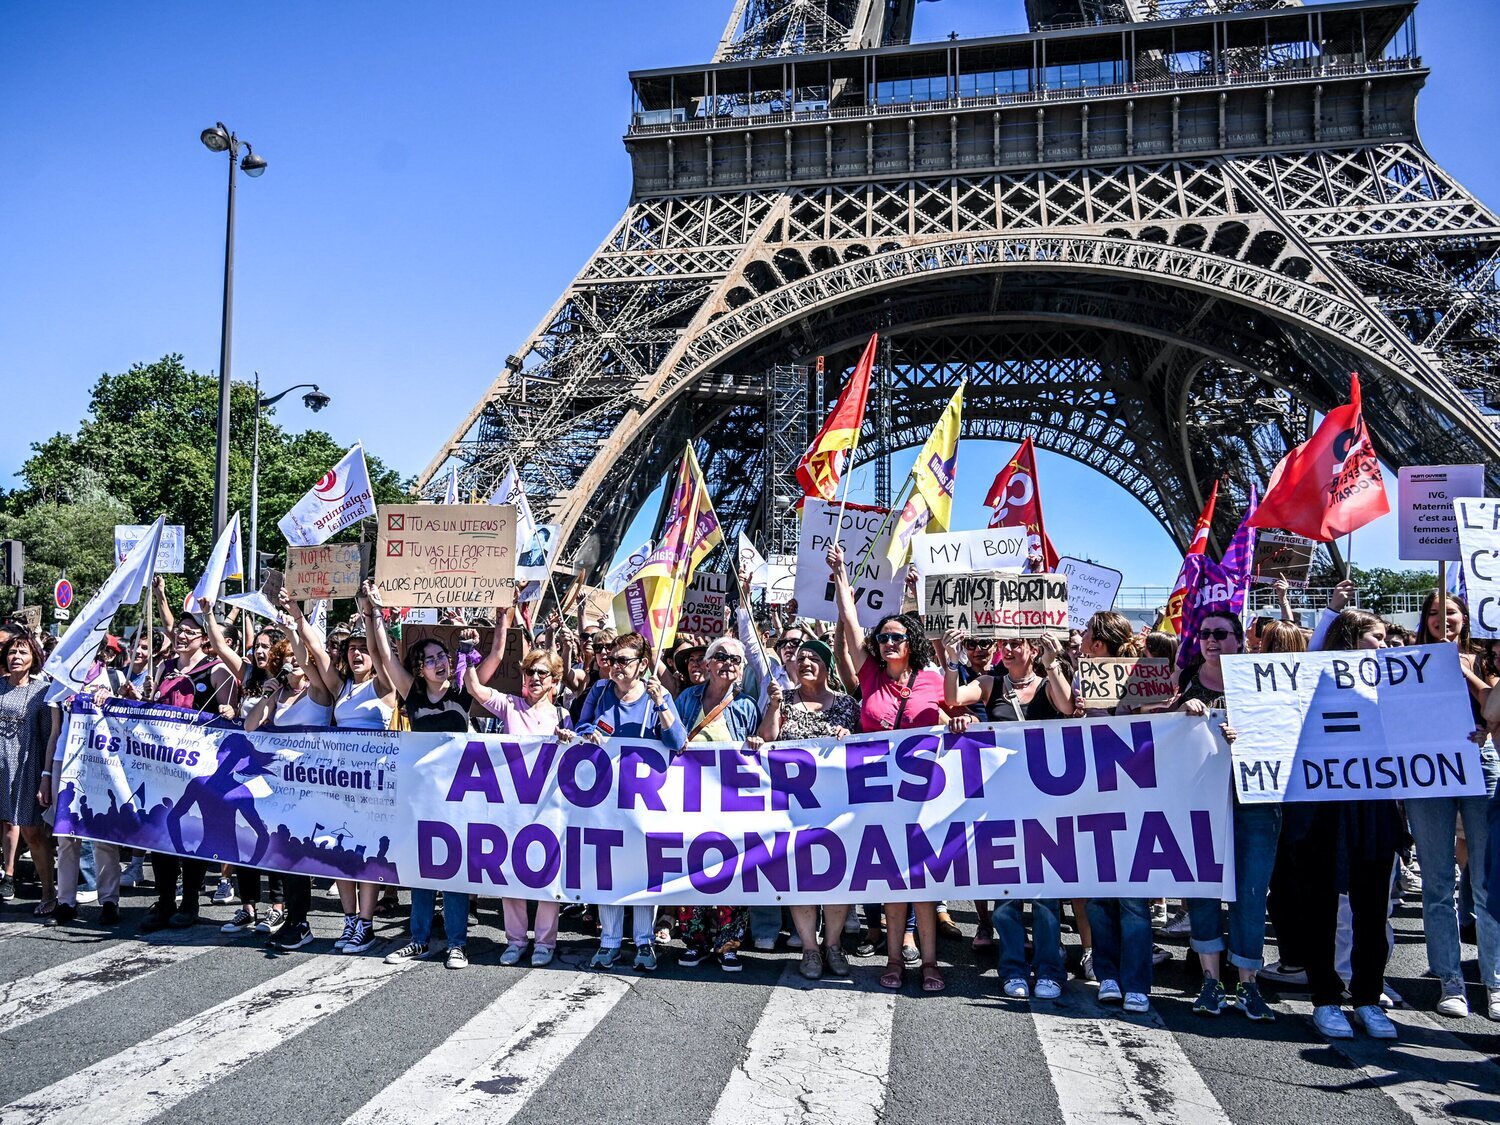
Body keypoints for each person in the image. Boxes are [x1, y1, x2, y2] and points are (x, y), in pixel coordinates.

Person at [828, 540, 955, 993]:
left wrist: (959, 719)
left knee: (920, 884)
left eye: (895, 637)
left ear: (911, 643)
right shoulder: (870, 677)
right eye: (882, 638)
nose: (886, 643)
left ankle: (931, 963)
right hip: (879, 793)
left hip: (923, 794)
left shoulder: (933, 680)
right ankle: (896, 961)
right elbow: (849, 619)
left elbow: (954, 712)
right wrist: (841, 573)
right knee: (892, 884)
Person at [1285, 609, 1405, 1040]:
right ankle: (1326, 999)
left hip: (1372, 809)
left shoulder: (1393, 683)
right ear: (1351, 639)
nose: (1386, 645)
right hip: (1320, 808)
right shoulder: (1310, 682)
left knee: (1372, 911)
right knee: (1319, 908)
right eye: (1377, 637)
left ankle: (1368, 999)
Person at [945, 626, 1077, 1004]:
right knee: (1006, 894)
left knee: (1045, 893)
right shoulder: (991, 683)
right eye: (1004, 644)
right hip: (1002, 804)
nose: (1008, 649)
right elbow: (953, 696)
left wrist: (1054, 666)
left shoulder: (1050, 680)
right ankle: (1014, 968)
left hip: (1046, 805)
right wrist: (954, 659)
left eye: (1016, 643)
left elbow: (1067, 707)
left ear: (1033, 649)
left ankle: (1050, 969)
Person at [1172, 610, 1278, 1022]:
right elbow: (1168, 735)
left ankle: (1247, 981)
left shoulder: (1261, 679)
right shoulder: (1187, 681)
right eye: (1204, 634)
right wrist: (1182, 710)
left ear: (1239, 640)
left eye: (1220, 633)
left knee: (1250, 892)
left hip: (1254, 799)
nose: (1211, 640)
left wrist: (1247, 735)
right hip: (1200, 798)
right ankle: (1211, 980)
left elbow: (1283, 730)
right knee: (1202, 887)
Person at [366, 584, 475, 970]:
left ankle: (457, 942)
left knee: (456, 871)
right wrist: (377, 612)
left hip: (461, 795)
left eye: (441, 655)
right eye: (429, 658)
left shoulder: (464, 692)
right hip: (424, 795)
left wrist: (468, 634)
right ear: (419, 668)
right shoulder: (411, 694)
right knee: (424, 868)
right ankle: (419, 938)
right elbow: (383, 654)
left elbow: (491, 655)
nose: (438, 662)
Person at [285, 583, 398, 952]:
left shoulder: (383, 687)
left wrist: (369, 616)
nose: (356, 654)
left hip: (373, 785)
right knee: (342, 850)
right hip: (342, 784)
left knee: (366, 853)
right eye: (351, 650)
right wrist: (296, 613)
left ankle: (365, 924)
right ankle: (349, 920)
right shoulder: (342, 689)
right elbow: (315, 652)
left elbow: (383, 656)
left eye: (361, 649)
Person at [464, 608, 573, 968]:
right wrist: (471, 651)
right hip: (511, 805)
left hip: (548, 807)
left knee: (546, 874)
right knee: (511, 871)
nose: (534, 677)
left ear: (555, 681)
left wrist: (567, 740)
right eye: (529, 672)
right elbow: (475, 689)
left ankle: (544, 942)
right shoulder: (509, 705)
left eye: (542, 673)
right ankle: (514, 940)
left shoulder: (563, 716)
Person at [1411, 592, 1500, 1020]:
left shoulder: (1486, 660)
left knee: (1487, 881)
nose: (1441, 619)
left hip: (1480, 766)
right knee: (1438, 883)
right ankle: (1450, 978)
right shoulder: (1410, 661)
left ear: (1465, 618)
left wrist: (1466, 673)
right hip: (1428, 771)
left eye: (1449, 611)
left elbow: (1493, 709)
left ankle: (1494, 980)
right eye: (1433, 612)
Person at [576, 631, 685, 971]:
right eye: (611, 658)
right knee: (608, 867)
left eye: (623, 660)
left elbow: (678, 741)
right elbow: (580, 726)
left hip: (643, 799)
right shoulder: (599, 691)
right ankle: (609, 942)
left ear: (642, 665)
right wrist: (588, 733)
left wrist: (661, 704)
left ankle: (644, 941)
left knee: (641, 868)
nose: (614, 666)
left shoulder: (658, 695)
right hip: (605, 797)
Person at [759, 636, 858, 980]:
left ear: (827, 666)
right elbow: (767, 739)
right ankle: (810, 949)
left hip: (837, 807)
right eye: (800, 658)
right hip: (794, 808)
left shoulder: (847, 704)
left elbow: (866, 748)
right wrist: (773, 707)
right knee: (800, 879)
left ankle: (833, 944)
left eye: (814, 657)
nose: (805, 663)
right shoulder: (783, 700)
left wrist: (851, 736)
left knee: (837, 877)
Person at [140, 614, 240, 931]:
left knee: (192, 831)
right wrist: (140, 699)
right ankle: (165, 900)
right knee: (161, 831)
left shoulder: (216, 670)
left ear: (203, 637)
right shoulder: (164, 668)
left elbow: (231, 712)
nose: (181, 635)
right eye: (179, 630)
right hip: (163, 765)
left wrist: (228, 709)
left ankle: (190, 902)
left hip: (197, 768)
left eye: (189, 631)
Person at [229, 636, 331, 938]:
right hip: (280, 786)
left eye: (295, 656)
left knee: (298, 851)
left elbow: (309, 664)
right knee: (283, 851)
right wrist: (269, 696)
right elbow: (250, 726)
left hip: (310, 783)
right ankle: (291, 917)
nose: (291, 662)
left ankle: (300, 922)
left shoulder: (318, 690)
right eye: (285, 657)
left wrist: (294, 626)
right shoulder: (279, 692)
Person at [674, 636, 762, 970]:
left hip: (731, 803)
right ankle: (695, 940)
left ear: (741, 671)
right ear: (707, 664)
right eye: (720, 655)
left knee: (730, 870)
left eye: (736, 659)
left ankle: (728, 942)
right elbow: (670, 738)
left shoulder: (747, 706)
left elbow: (763, 747)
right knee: (692, 867)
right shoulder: (686, 699)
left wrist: (763, 731)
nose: (728, 662)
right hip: (690, 800)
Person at [0, 633, 56, 915]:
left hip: (26, 769)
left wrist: (47, 777)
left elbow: (49, 738)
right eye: (11, 652)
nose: (16, 657)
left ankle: (48, 892)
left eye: (22, 652)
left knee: (33, 832)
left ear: (33, 657)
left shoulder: (41, 692)